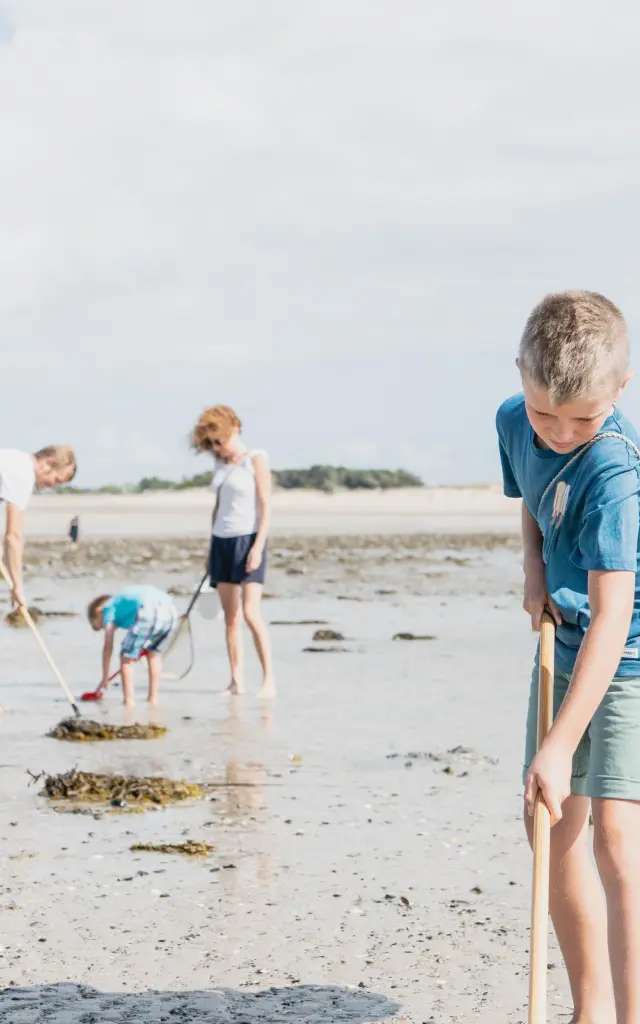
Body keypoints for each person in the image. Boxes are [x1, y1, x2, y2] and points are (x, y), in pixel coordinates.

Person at [496, 291, 640, 1023]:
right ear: (521, 373)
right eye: (545, 413)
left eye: (581, 418)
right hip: (565, 630)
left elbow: (615, 619)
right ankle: (589, 1011)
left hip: (630, 654)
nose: (559, 434)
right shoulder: (513, 420)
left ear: (622, 387)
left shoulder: (616, 473)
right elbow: (529, 494)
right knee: (549, 829)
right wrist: (532, 570)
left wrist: (558, 744)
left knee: (617, 837)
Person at [191, 404, 275, 698]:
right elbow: (218, 508)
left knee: (251, 612)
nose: (217, 447)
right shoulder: (220, 464)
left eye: (220, 440)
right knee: (230, 618)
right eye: (212, 443)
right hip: (221, 541)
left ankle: (268, 682)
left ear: (234, 430)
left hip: (248, 538)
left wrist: (258, 547)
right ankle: (236, 681)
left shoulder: (256, 458)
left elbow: (266, 505)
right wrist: (210, 548)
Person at [0, 446, 77, 609]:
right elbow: (13, 537)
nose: (52, 486)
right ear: (47, 464)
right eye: (56, 480)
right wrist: (17, 586)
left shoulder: (15, 460)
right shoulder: (23, 474)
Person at [87, 585, 177, 707]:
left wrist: (104, 679)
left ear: (99, 611)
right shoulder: (122, 605)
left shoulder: (108, 607)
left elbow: (108, 645)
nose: (105, 628)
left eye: (101, 626)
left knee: (126, 658)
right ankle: (153, 698)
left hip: (147, 609)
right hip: (170, 611)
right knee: (153, 654)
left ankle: (128, 701)